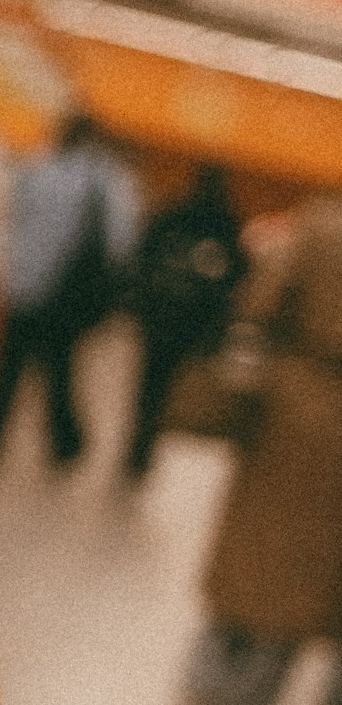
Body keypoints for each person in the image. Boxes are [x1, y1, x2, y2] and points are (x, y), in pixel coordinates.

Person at [169, 195, 342, 705]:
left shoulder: (318, 227)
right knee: (301, 590)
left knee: (242, 570)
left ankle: (195, 702)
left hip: (287, 414)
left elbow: (260, 300)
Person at [0, 110, 140, 469]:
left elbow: (10, 221)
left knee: (7, 369)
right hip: (69, 294)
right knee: (60, 370)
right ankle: (64, 444)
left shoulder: (35, 170)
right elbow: (120, 244)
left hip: (21, 286)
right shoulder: (108, 181)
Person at [125, 162, 248, 479]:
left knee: (149, 381)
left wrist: (140, 299)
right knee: (168, 384)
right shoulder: (226, 224)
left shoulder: (173, 213)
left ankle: (138, 446)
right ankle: (147, 444)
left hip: (158, 314)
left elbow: (143, 253)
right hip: (191, 322)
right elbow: (238, 274)